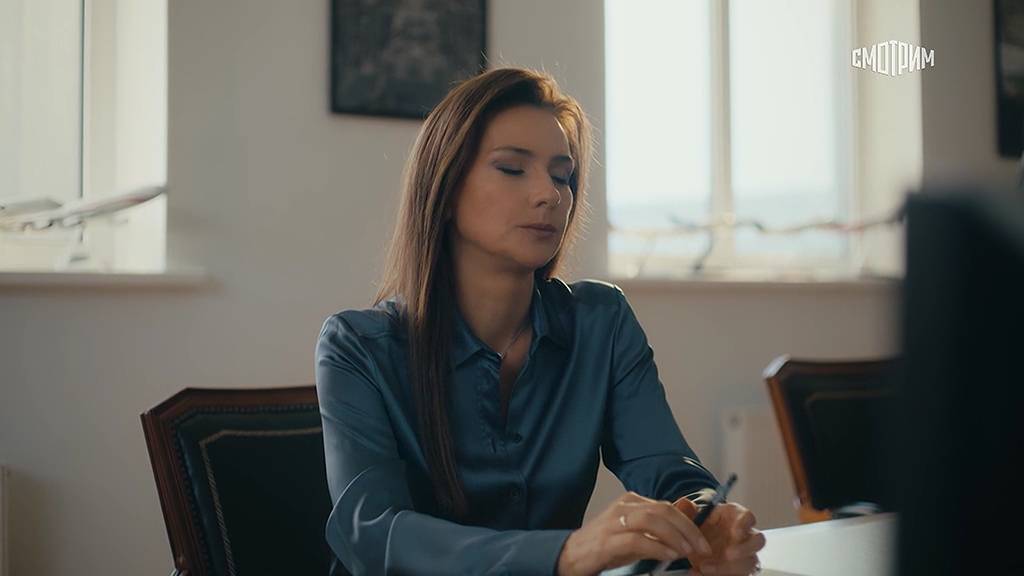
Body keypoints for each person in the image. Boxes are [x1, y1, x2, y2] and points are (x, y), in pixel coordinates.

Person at [315, 67, 765, 576]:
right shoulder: (357, 346)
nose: (550, 194)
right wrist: (568, 553)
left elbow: (668, 469)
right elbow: (374, 533)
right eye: (512, 169)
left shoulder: (602, 322)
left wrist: (708, 519)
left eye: (562, 175)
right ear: (444, 189)